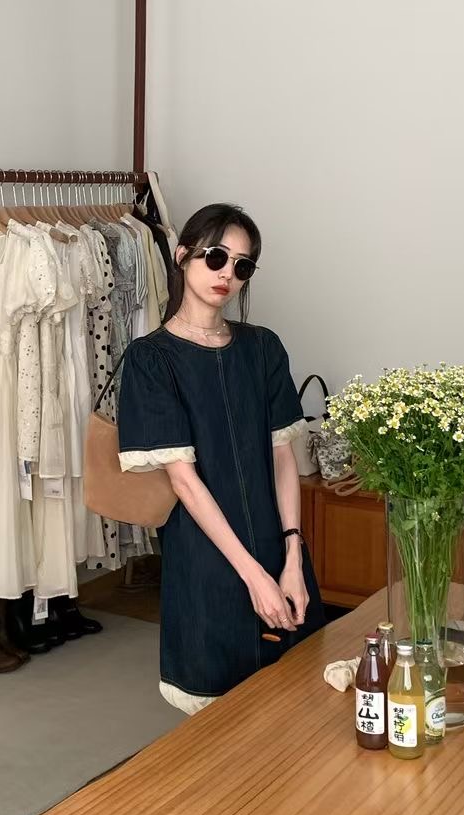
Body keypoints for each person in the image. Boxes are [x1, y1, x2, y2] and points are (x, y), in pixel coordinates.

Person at [118, 203, 326, 715]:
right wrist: (254, 576)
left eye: (242, 265)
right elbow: (185, 483)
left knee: (299, 699)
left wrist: (292, 556)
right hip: (207, 558)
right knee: (221, 716)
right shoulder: (151, 359)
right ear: (182, 256)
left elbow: (283, 457)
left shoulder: (263, 348)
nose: (227, 274)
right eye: (215, 257)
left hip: (279, 547)